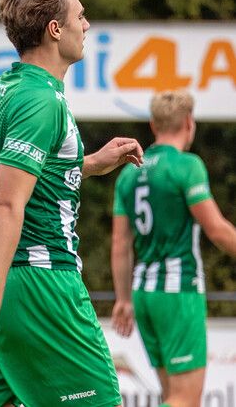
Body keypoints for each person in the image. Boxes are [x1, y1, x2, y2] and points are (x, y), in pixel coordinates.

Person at [0, 0, 144, 407]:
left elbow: (28, 175)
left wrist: (91, 162)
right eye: (80, 16)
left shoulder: (4, 89)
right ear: (55, 30)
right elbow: (7, 204)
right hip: (39, 287)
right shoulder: (41, 101)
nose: (87, 24)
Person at [111, 90, 236, 407]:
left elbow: (121, 244)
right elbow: (217, 230)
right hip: (177, 290)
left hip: (143, 293)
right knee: (185, 400)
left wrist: (124, 299)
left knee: (172, 395)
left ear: (153, 125)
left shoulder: (129, 173)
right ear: (189, 124)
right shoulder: (186, 166)